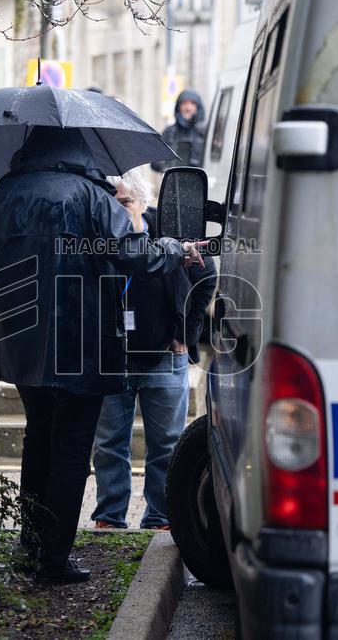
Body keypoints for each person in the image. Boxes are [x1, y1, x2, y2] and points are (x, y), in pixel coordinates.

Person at [0, 127, 206, 584]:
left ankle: (31, 542)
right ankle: (55, 557)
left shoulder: (5, 191)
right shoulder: (91, 194)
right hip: (81, 338)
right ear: (78, 148)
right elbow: (135, 253)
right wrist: (176, 249)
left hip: (21, 337)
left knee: (38, 436)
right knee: (72, 445)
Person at [91, 168, 216, 530]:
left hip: (164, 356)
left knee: (166, 445)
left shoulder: (169, 233)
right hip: (112, 358)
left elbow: (206, 276)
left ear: (143, 203)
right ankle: (110, 517)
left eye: (126, 202)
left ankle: (160, 517)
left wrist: (185, 334)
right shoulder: (101, 239)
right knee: (110, 444)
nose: (119, 211)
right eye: (112, 205)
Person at [151, 89, 207, 172]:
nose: (188, 108)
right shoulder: (169, 132)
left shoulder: (205, 133)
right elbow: (155, 162)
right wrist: (168, 165)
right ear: (178, 106)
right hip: (175, 182)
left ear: (198, 107)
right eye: (184, 103)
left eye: (192, 103)